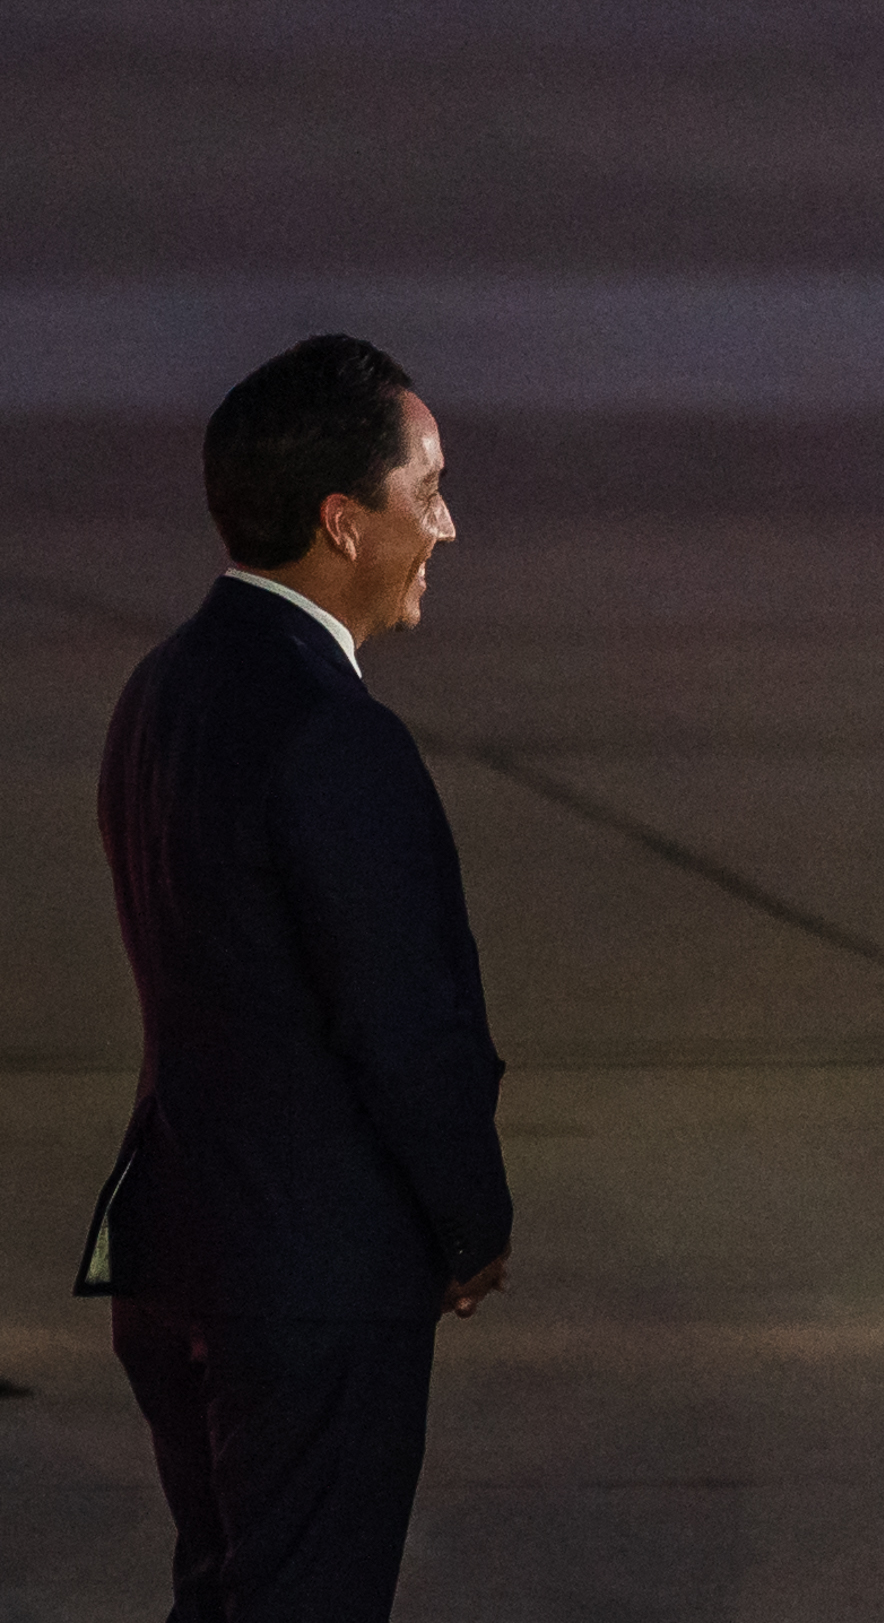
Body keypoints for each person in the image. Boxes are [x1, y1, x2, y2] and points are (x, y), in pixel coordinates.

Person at [75, 335, 514, 1622]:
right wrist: (471, 1217)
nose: (447, 524)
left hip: (183, 1248)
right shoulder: (334, 734)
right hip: (310, 1279)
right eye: (425, 491)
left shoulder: (163, 692)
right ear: (342, 520)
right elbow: (403, 1021)